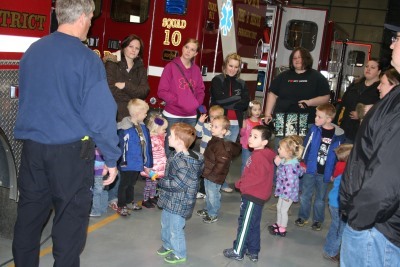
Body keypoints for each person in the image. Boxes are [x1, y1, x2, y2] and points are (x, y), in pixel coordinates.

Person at [12, 0, 121, 266]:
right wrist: (110, 157)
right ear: (83, 16)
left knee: (29, 216)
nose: (91, 23)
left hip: (33, 149)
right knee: (70, 221)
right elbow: (100, 114)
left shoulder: (33, 51)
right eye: (92, 17)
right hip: (70, 154)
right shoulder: (86, 59)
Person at [339, 22, 400, 267]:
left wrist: (358, 218)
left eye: (397, 38)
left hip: (376, 231)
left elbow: (388, 177)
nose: (392, 44)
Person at [223, 125, 275, 262]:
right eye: (251, 135)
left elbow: (257, 178)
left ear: (264, 142)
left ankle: (238, 251)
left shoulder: (260, 157)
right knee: (253, 224)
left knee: (245, 224)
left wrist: (240, 184)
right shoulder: (260, 154)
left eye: (255, 137)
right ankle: (253, 251)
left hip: (253, 196)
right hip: (255, 196)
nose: (250, 138)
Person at [156, 123, 204, 264]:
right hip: (170, 198)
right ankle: (167, 245)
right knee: (165, 223)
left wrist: (161, 181)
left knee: (176, 228)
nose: (167, 137)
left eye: (170, 135)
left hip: (180, 201)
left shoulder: (185, 163)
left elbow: (177, 184)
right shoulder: (175, 154)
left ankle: (179, 253)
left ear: (179, 141)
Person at [295, 103, 344, 231]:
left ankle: (317, 220)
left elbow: (339, 155)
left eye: (319, 117)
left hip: (325, 172)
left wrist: (334, 172)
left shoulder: (338, 136)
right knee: (306, 195)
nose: (316, 119)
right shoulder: (314, 130)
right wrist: (303, 162)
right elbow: (306, 146)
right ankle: (303, 216)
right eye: (316, 116)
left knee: (320, 198)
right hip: (310, 169)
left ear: (329, 119)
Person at [209, 52, 250, 192]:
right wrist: (236, 98)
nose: (232, 69)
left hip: (235, 124)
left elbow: (245, 104)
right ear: (225, 65)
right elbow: (219, 100)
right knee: (215, 154)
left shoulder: (242, 83)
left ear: (239, 69)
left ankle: (222, 181)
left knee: (226, 156)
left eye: (236, 67)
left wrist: (230, 100)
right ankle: (211, 180)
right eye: (230, 65)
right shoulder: (217, 80)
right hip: (220, 123)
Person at [157, 38, 205, 154]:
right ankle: (169, 171)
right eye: (187, 47)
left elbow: (200, 90)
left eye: (192, 49)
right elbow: (162, 91)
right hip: (172, 115)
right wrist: (179, 101)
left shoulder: (196, 70)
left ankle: (182, 171)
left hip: (190, 116)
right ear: (182, 48)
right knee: (170, 148)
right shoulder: (171, 67)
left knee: (186, 148)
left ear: (196, 53)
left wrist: (195, 104)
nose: (188, 51)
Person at [264, 47, 330, 126]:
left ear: (306, 59)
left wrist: (309, 102)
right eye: (294, 58)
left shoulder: (317, 77)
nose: (297, 60)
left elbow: (326, 98)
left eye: (300, 57)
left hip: (305, 121)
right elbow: (272, 94)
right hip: (282, 119)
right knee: (281, 139)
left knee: (300, 139)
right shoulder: (283, 76)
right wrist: (267, 114)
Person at [196, 115, 241, 223]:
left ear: (224, 131)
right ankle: (208, 209)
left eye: (216, 127)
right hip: (208, 173)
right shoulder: (214, 140)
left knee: (213, 194)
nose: (212, 128)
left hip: (214, 176)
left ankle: (213, 214)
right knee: (208, 192)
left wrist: (212, 175)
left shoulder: (222, 146)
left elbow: (222, 163)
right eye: (212, 126)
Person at [116, 99, 153, 216]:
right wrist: (118, 162)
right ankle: (121, 205)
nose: (146, 115)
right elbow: (119, 146)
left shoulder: (143, 128)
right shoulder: (123, 129)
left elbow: (147, 146)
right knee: (124, 184)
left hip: (138, 162)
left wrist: (148, 164)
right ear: (137, 114)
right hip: (126, 163)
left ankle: (130, 201)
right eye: (144, 113)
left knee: (131, 184)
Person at [334, 59, 381, 143]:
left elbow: (380, 111)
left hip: (361, 133)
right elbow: (342, 104)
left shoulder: (379, 90)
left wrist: (361, 115)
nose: (368, 69)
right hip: (344, 128)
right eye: (367, 66)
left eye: (372, 67)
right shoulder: (355, 84)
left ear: (379, 72)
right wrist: (334, 122)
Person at [105, 34, 150, 122]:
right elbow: (109, 89)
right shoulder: (112, 64)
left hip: (133, 117)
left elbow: (144, 91)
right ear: (124, 47)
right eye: (131, 46)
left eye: (137, 48)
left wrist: (126, 86)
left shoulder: (141, 69)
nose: (134, 50)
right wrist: (133, 100)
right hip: (112, 114)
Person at [268, 136, 305, 237]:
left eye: (280, 148)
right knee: (279, 207)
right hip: (283, 190)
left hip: (287, 193)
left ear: (288, 152)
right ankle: (278, 224)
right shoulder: (286, 161)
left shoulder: (290, 167)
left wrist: (286, 195)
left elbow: (291, 183)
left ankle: (282, 228)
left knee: (284, 210)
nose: (278, 149)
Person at [322, 143, 353, 263]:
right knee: (340, 229)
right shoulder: (348, 170)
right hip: (339, 204)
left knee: (336, 226)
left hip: (334, 201)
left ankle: (330, 246)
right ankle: (331, 251)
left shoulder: (340, 165)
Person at [194, 105, 225, 199]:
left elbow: (225, 137)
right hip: (204, 156)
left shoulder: (221, 129)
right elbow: (197, 133)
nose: (213, 119)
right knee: (203, 174)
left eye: (216, 117)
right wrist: (200, 122)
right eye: (211, 116)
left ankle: (209, 192)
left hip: (214, 158)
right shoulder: (206, 126)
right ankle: (202, 190)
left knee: (211, 175)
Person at [140, 114, 168, 208]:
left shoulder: (160, 137)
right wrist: (146, 167)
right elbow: (147, 154)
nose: (165, 131)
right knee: (149, 184)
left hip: (158, 165)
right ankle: (145, 200)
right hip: (151, 166)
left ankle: (152, 197)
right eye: (163, 129)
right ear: (156, 129)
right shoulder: (151, 139)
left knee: (155, 183)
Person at [239, 100, 263, 174]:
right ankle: (243, 181)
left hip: (257, 148)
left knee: (255, 164)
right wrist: (243, 128)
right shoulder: (246, 121)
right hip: (247, 146)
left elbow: (262, 135)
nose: (257, 112)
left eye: (259, 109)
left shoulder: (260, 122)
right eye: (255, 110)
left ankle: (251, 179)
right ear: (250, 110)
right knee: (245, 164)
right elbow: (242, 134)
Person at [90, 148, 109, 217]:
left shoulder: (96, 151)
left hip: (98, 175)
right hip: (106, 175)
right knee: (104, 191)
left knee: (96, 193)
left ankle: (96, 211)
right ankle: (103, 209)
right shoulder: (107, 149)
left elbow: (95, 165)